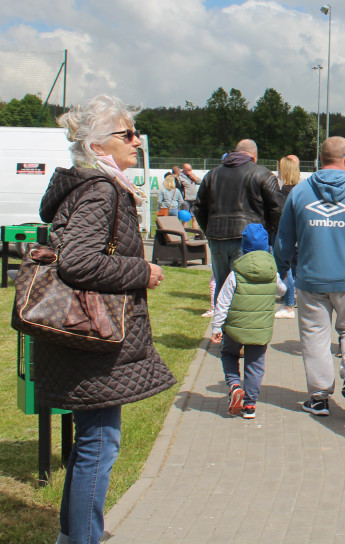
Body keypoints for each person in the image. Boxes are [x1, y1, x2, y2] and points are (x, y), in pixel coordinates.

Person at [37, 95, 175, 544]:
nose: (136, 141)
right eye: (126, 134)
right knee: (99, 444)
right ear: (98, 148)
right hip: (94, 339)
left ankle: (74, 535)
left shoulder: (90, 185)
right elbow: (77, 263)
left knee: (92, 442)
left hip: (82, 339)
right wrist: (143, 271)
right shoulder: (100, 189)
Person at [274, 137, 345, 416]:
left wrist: (282, 269)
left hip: (311, 279)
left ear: (320, 160)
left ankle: (318, 397)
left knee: (314, 337)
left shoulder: (300, 193)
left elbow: (283, 239)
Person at [210, 223, 287, 419]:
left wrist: (217, 326)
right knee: (255, 364)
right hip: (260, 328)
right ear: (266, 247)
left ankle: (235, 385)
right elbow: (282, 290)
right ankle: (250, 404)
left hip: (235, 327)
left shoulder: (236, 272)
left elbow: (223, 300)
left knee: (229, 354)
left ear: (244, 247)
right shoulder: (272, 272)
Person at [195, 139, 284, 302]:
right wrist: (270, 233)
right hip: (250, 239)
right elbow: (278, 208)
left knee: (222, 290)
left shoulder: (212, 174)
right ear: (254, 156)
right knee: (246, 290)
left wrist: (210, 229)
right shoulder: (263, 174)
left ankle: (221, 326)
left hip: (217, 238)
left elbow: (199, 208)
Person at [273, 155, 302, 319]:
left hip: (288, 237)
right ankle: (293, 300)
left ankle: (289, 304)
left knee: (287, 270)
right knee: (295, 269)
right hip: (301, 237)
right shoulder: (301, 191)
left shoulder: (283, 193)